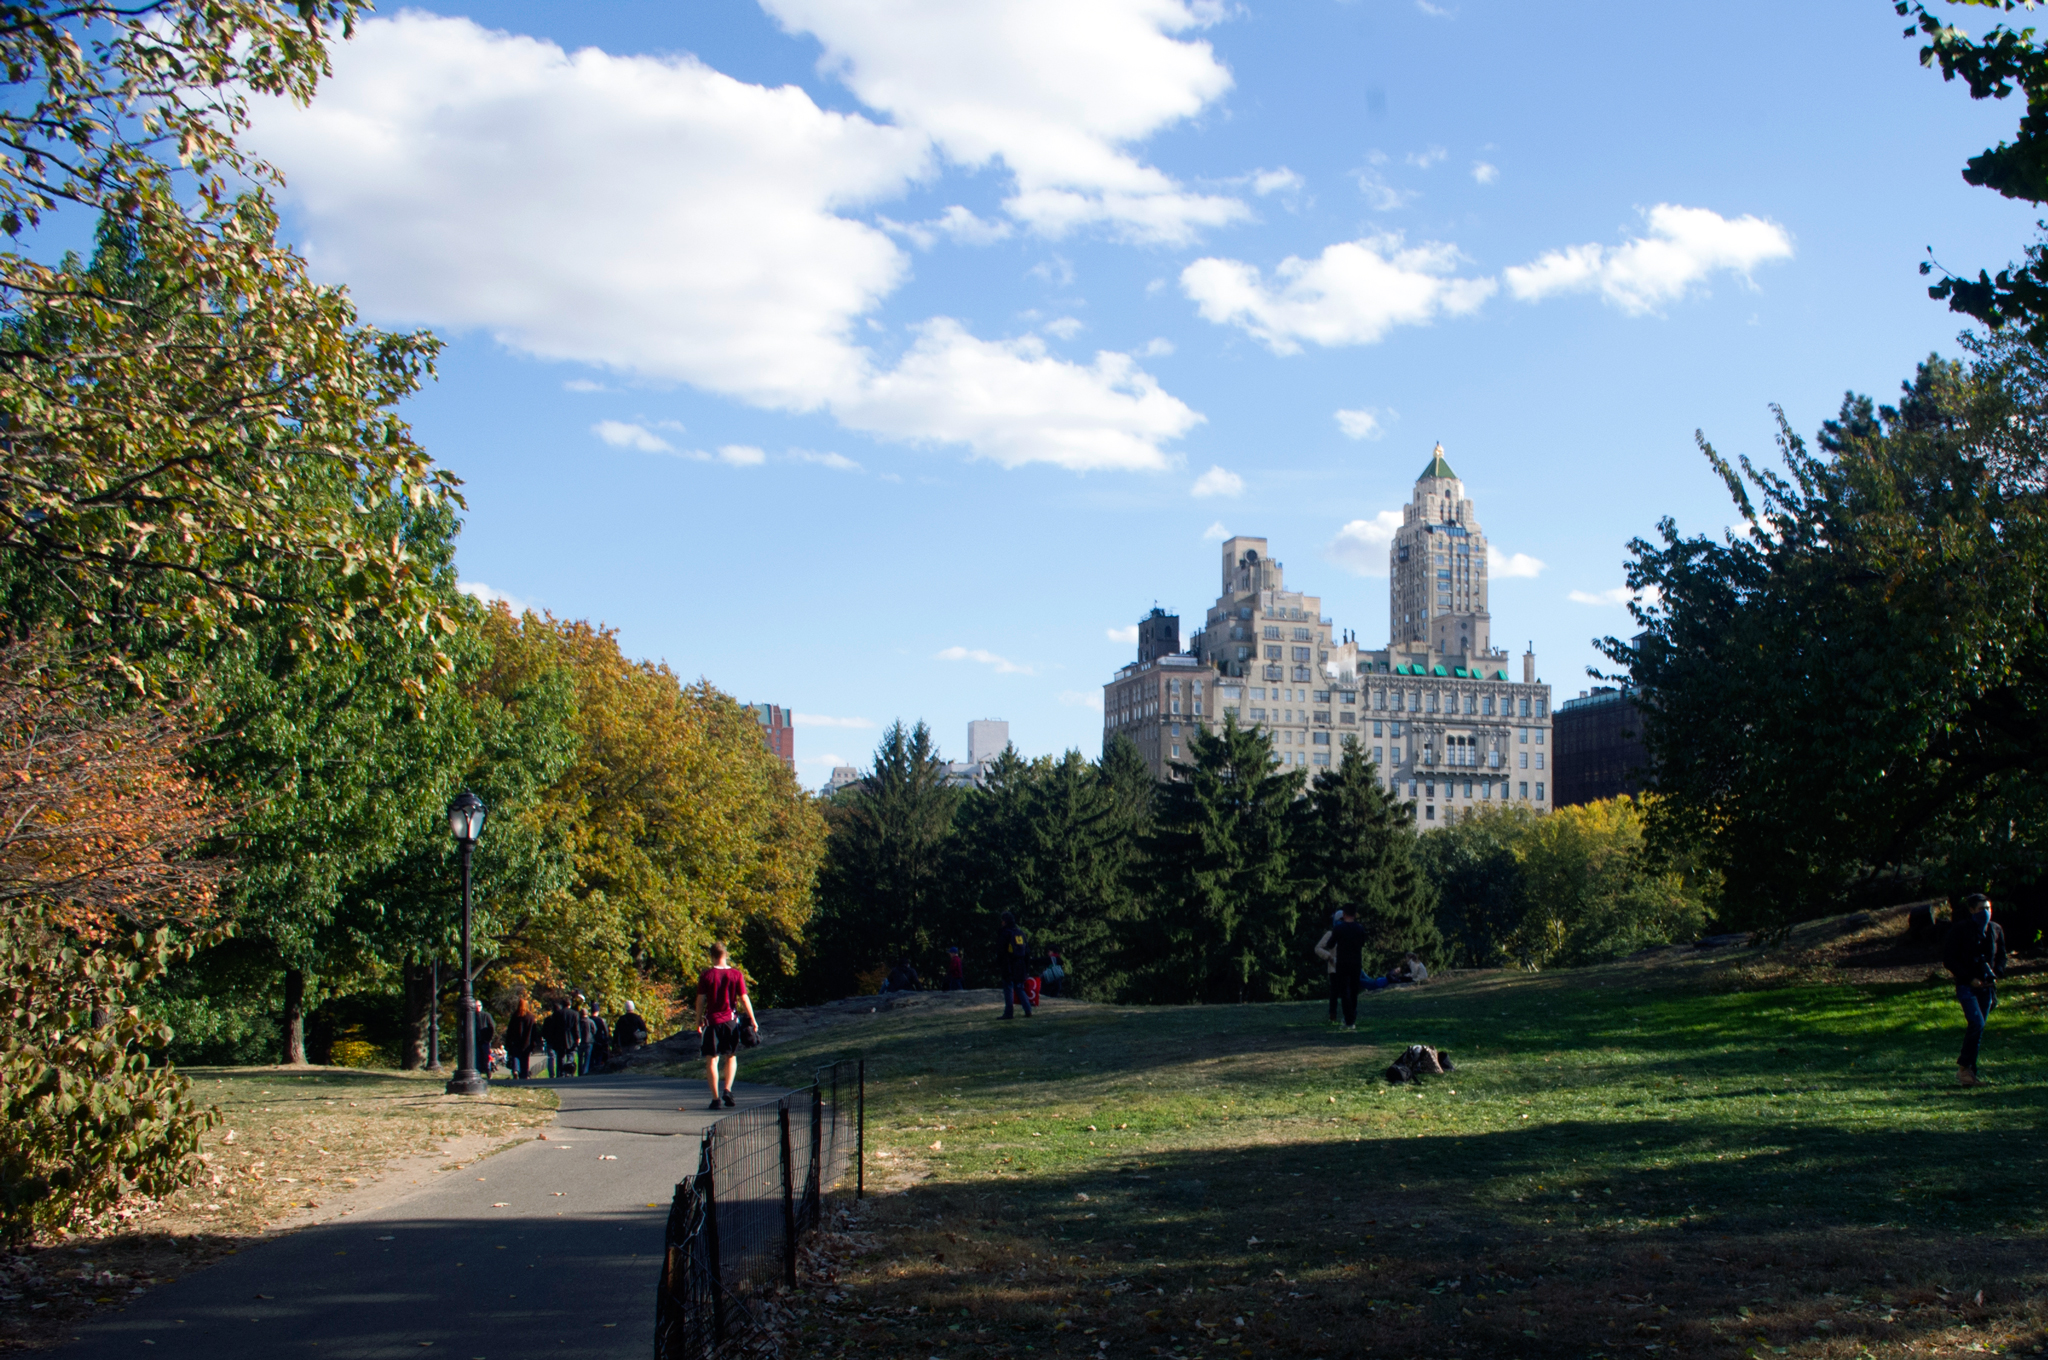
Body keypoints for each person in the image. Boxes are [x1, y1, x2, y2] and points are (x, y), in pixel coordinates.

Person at [1944, 893, 2008, 1086]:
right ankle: (1964, 1067)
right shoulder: (1960, 930)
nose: (1986, 912)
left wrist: (1995, 974)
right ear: (1971, 910)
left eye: (1988, 908)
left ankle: (1969, 1073)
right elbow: (1949, 959)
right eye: (1981, 909)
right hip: (1967, 986)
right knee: (1976, 1024)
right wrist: (1969, 978)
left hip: (1987, 988)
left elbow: (2002, 956)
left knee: (1978, 1030)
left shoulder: (1995, 929)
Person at [696, 943, 758, 1110]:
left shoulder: (707, 975)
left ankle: (715, 1098)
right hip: (730, 1021)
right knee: (730, 1056)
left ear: (712, 956)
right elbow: (744, 998)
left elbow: (701, 999)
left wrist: (698, 1020)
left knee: (712, 1059)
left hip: (712, 1022)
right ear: (726, 955)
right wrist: (752, 1019)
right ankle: (727, 1089)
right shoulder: (736, 974)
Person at [1328, 905, 1368, 1031]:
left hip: (1343, 962)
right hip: (1356, 962)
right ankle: (1352, 1017)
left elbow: (1330, 943)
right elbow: (1362, 943)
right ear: (1355, 914)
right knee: (1354, 990)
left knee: (1344, 991)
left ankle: (1349, 1019)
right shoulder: (1360, 929)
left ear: (1344, 914)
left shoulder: (1339, 928)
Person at [999, 912, 1033, 1019]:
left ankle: (1009, 1013)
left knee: (1008, 988)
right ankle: (1028, 1009)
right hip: (1021, 964)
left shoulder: (1005, 933)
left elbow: (1001, 951)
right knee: (1019, 988)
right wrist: (1027, 968)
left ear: (1005, 921)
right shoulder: (1020, 933)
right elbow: (1027, 952)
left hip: (1009, 964)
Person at [504, 997, 538, 1081]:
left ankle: (515, 1070)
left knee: (515, 1056)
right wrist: (534, 1043)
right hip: (527, 1042)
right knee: (525, 1059)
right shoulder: (530, 1017)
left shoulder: (515, 1016)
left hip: (515, 1041)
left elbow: (510, 1030)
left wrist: (508, 1041)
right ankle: (524, 1075)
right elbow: (534, 1031)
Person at [1313, 921, 1341, 1022]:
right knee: (1334, 993)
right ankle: (1332, 1016)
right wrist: (1329, 957)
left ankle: (1348, 1016)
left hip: (1346, 967)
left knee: (1347, 992)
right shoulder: (1330, 934)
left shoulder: (1347, 933)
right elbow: (1318, 948)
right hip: (1334, 968)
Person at [540, 998, 571, 1079]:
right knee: (560, 1057)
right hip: (558, 1040)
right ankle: (561, 1071)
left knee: (551, 1057)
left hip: (550, 1041)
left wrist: (546, 1038)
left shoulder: (548, 1019)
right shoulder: (560, 1018)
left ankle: (552, 1074)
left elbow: (544, 1031)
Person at [470, 999, 497, 1077]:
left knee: (486, 1057)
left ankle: (488, 1071)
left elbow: (492, 1027)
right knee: (477, 1057)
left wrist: (489, 1038)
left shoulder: (486, 1015)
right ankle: (478, 1072)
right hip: (475, 1040)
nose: (478, 1007)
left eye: (479, 1006)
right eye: (476, 1006)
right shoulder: (472, 1016)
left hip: (485, 1040)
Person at [572, 993, 595, 1076]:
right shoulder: (590, 1021)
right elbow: (594, 1030)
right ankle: (585, 1072)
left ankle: (580, 1072)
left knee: (580, 1058)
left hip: (580, 1041)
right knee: (587, 1058)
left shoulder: (578, 1022)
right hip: (589, 1041)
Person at [589, 1003, 611, 1073]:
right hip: (599, 1041)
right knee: (599, 1057)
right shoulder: (601, 1020)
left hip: (590, 1040)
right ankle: (598, 1071)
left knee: (590, 1058)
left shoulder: (589, 1019)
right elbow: (606, 1031)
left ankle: (590, 1071)